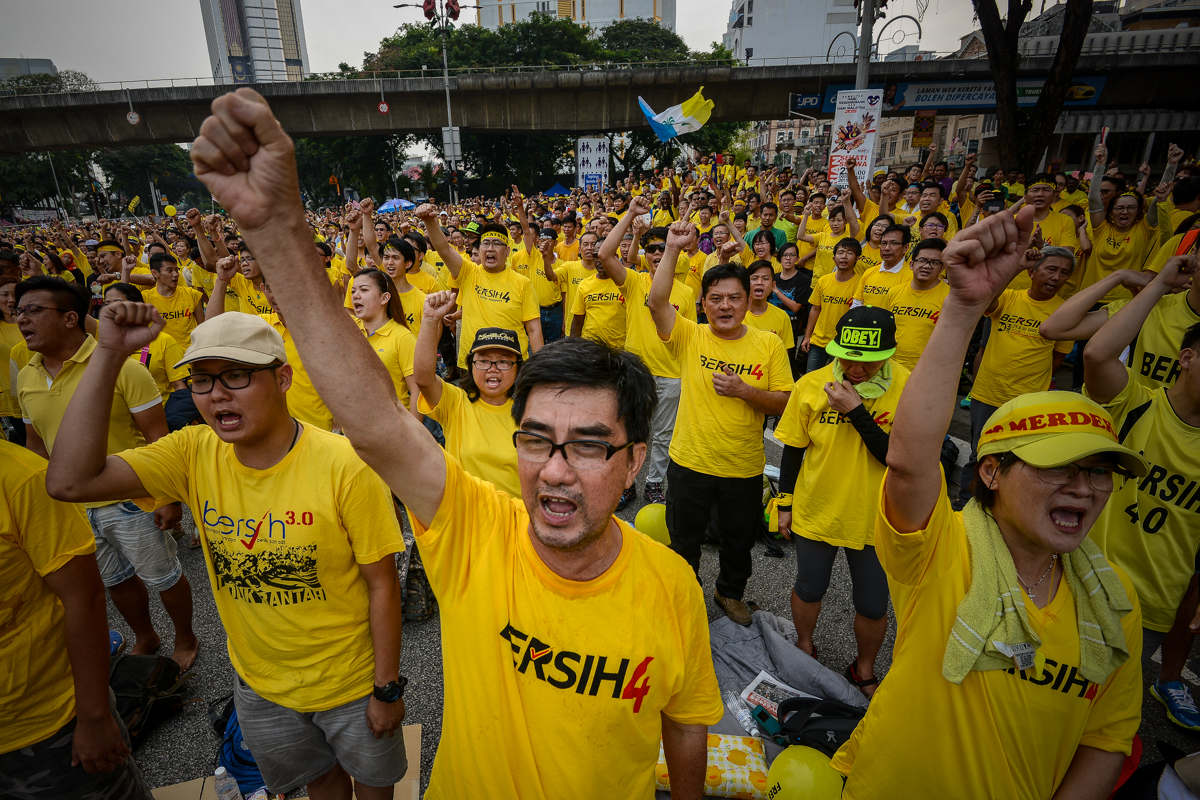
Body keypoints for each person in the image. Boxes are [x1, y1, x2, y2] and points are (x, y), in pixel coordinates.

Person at [186, 87, 723, 800]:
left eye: (590, 447)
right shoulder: (478, 531)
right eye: (537, 441)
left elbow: (686, 724)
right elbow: (377, 423)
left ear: (635, 462)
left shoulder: (673, 585)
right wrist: (278, 229)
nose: (555, 474)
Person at [832, 204, 1145, 799]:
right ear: (993, 473)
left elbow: (1106, 740)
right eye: (1059, 468)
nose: (1084, 488)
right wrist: (963, 309)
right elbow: (909, 458)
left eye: (1100, 472)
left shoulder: (1116, 604)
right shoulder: (941, 549)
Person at [47, 310, 409, 800]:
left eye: (236, 375)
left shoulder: (345, 464)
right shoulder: (193, 453)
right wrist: (109, 352)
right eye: (200, 380)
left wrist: (386, 689)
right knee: (319, 781)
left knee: (372, 786)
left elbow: (382, 582)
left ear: (282, 378)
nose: (216, 393)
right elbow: (69, 480)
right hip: (262, 688)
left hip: (349, 683)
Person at [15, 275, 197, 671]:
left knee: (163, 576)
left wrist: (167, 497)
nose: (21, 320)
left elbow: (157, 437)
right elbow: (35, 444)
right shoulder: (26, 375)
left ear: (69, 318)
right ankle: (145, 635)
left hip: (130, 501)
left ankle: (186, 636)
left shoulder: (125, 369)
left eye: (33, 310)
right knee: (115, 580)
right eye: (18, 311)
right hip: (73, 506)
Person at [1079, 252, 1200, 731]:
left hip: (1154, 599)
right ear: (1186, 358)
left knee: (1103, 712)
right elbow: (1095, 354)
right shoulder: (1137, 402)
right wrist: (1154, 286)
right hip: (1084, 575)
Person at [649, 221, 792, 625]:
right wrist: (674, 249)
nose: (725, 305)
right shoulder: (690, 337)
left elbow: (784, 403)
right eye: (715, 299)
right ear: (703, 303)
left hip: (742, 466)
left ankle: (729, 593)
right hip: (690, 462)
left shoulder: (768, 344)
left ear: (748, 301)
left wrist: (746, 392)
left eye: (734, 297)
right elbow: (657, 303)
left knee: (737, 542)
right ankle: (686, 593)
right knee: (685, 541)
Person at [0, 441, 153, 800]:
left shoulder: (20, 479)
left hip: (45, 725)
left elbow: (84, 598)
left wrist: (95, 716)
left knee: (151, 576)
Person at [776, 307, 909, 697]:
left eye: (866, 361)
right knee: (809, 586)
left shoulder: (909, 386)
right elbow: (792, 452)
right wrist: (784, 503)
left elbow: (896, 458)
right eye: (846, 356)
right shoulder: (812, 384)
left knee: (872, 603)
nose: (853, 368)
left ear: (888, 353)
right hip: (818, 508)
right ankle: (804, 646)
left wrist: (856, 412)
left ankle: (863, 670)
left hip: (876, 517)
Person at [955, 246, 1076, 510]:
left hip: (1027, 402)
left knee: (1019, 459)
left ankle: (1005, 510)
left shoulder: (1066, 313)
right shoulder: (1009, 297)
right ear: (1033, 271)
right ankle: (966, 509)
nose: (1056, 277)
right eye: (1051, 269)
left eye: (1064, 273)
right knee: (980, 453)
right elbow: (986, 299)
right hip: (987, 395)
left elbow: (1057, 359)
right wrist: (1016, 267)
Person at [598, 198, 697, 508]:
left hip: (670, 375)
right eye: (650, 248)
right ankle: (626, 483)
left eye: (661, 248)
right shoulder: (634, 282)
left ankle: (654, 484)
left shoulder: (687, 293)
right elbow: (604, 254)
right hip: (636, 372)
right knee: (628, 432)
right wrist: (630, 214)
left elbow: (690, 338)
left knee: (663, 436)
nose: (656, 253)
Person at [415, 294, 522, 499]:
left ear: (518, 368)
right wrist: (430, 320)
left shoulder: (530, 412)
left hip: (514, 522)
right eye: (483, 361)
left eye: (504, 362)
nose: (493, 369)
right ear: (471, 366)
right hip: (467, 521)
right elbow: (423, 378)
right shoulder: (456, 403)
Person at [416, 204, 544, 367]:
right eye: (486, 243)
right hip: (473, 363)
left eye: (497, 244)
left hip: (509, 365)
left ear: (507, 251)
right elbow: (444, 250)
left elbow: (533, 330)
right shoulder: (469, 272)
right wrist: (429, 221)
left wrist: (540, 369)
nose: (490, 248)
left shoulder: (522, 283)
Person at [351, 268, 421, 420]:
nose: (356, 296)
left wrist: (414, 435)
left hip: (393, 429)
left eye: (364, 290)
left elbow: (417, 392)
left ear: (384, 298)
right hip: (355, 428)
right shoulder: (350, 330)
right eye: (353, 291)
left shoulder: (403, 337)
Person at [104, 283, 189, 402]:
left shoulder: (164, 341)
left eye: (118, 303)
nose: (111, 309)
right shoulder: (104, 344)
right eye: (107, 304)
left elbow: (180, 386)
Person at [878, 239, 949, 371]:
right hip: (890, 368)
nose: (927, 266)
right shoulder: (894, 292)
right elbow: (883, 330)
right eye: (922, 260)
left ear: (942, 268)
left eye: (934, 262)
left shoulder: (950, 298)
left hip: (928, 371)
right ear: (911, 264)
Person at [802, 237, 861, 373]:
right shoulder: (823, 281)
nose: (844, 257)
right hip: (818, 342)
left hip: (842, 344)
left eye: (849, 253)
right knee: (812, 379)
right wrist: (807, 336)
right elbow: (815, 309)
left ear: (857, 258)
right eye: (840, 252)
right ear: (834, 258)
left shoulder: (860, 283)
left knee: (837, 382)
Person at [139, 252, 205, 347]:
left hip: (189, 354)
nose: (175, 274)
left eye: (176, 270)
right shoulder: (145, 298)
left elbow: (202, 327)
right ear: (155, 273)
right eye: (169, 271)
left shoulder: (192, 294)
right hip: (162, 354)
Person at [852, 224, 911, 307]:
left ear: (905, 247)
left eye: (893, 243)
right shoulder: (869, 272)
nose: (886, 248)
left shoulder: (911, 277)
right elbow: (857, 304)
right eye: (883, 243)